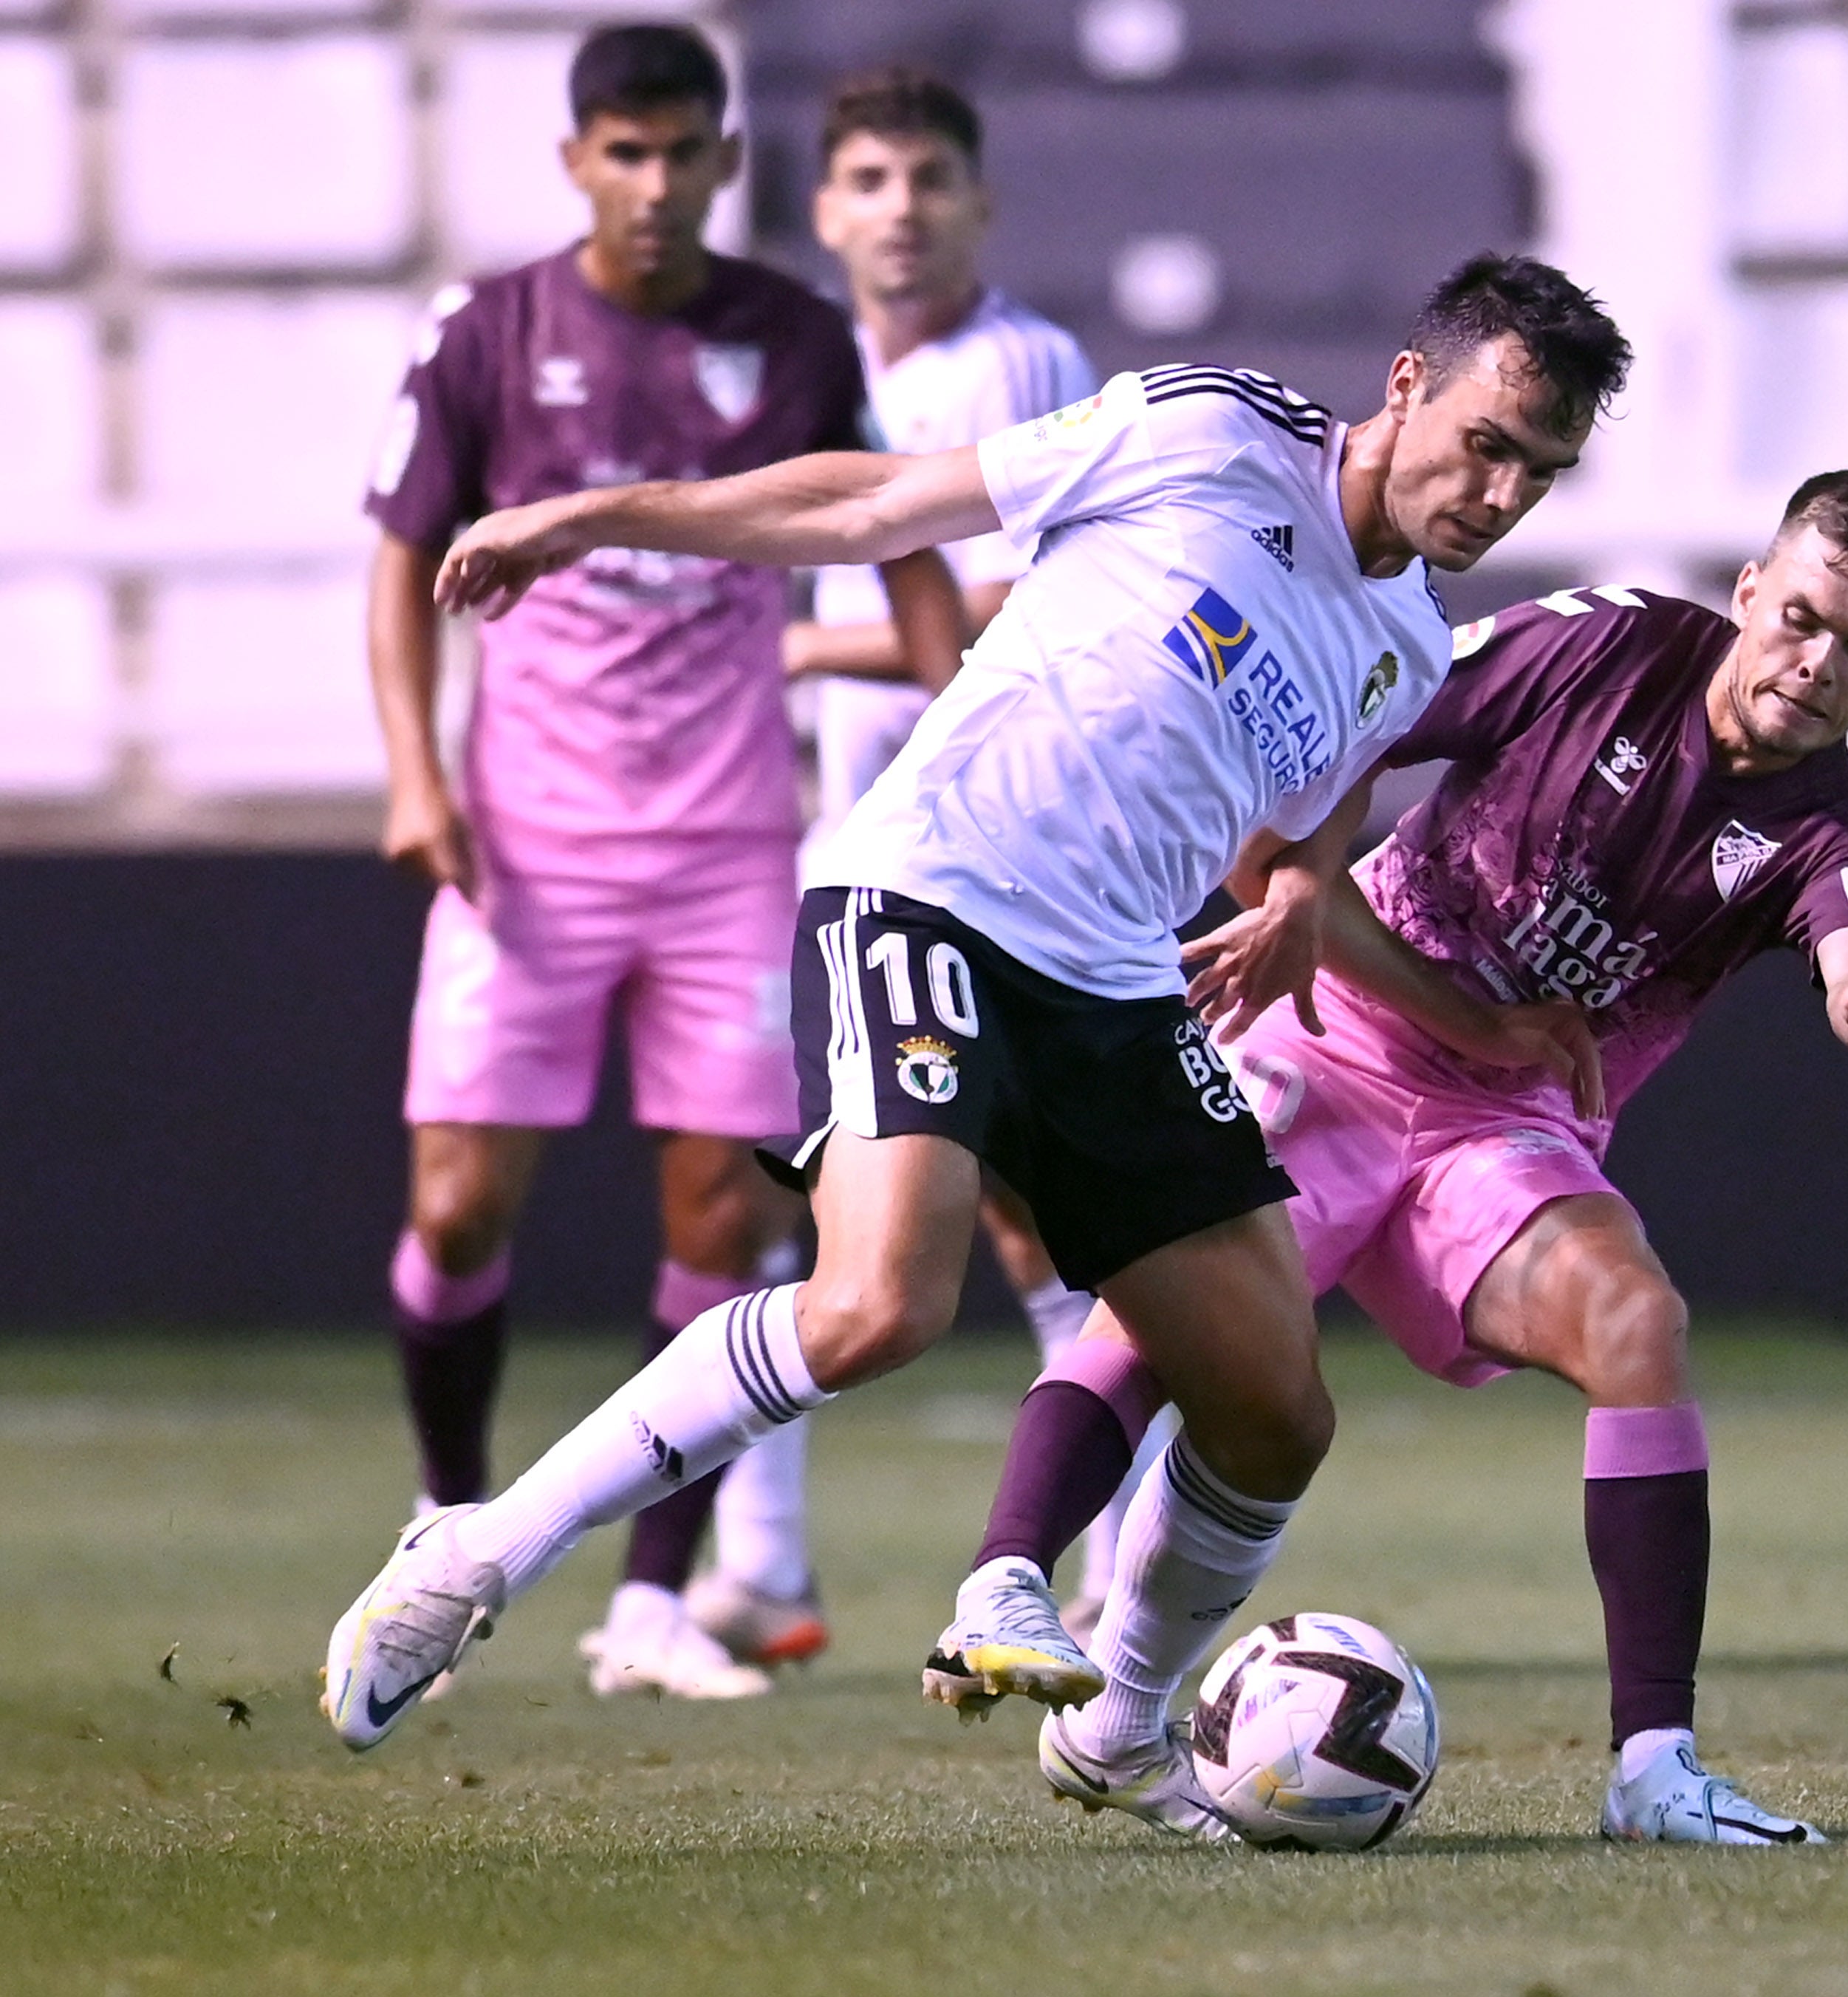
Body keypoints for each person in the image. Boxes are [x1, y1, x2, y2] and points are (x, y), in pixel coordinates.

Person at [321, 255, 1632, 1834]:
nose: (1499, 492)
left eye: (1539, 473)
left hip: (1116, 983)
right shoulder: (1209, 433)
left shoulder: (1408, 643)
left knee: (1277, 1406)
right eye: (1487, 441)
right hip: (928, 892)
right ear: (1409, 385)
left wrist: (1335, 922)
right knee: (879, 1301)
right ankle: (477, 1551)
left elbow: (1286, 846)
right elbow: (875, 504)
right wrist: (591, 514)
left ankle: (1120, 1731)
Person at [961, 469, 1848, 1843]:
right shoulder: (1600, 642)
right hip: (1328, 1033)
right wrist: (1311, 889)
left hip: (1500, 1131)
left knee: (1636, 1318)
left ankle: (1654, 1773)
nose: (1815, 664)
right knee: (1164, 1326)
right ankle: (1010, 1586)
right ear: (1749, 590)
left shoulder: (1825, 826)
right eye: (1801, 618)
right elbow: (1357, 730)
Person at [362, 21, 962, 1701]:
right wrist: (416, 772)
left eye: (678, 152)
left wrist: (979, 719)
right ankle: (440, 1514)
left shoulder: (791, 340)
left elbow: (885, 531)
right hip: (525, 853)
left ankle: (648, 1593)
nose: (650, 182)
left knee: (716, 1207)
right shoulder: (491, 333)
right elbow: (398, 562)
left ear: (720, 161)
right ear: (577, 163)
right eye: (619, 152)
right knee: (456, 1202)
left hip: (724, 853)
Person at [693, 68, 1134, 1665]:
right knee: (783, 1188)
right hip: (834, 841)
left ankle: (1115, 1547)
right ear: (821, 209)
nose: (898, 206)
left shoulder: (1017, 363)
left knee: (1022, 1211)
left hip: (988, 841)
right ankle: (764, 1567)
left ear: (979, 202)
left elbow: (1026, 608)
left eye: (928, 177)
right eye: (867, 178)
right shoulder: (807, 363)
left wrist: (801, 641)